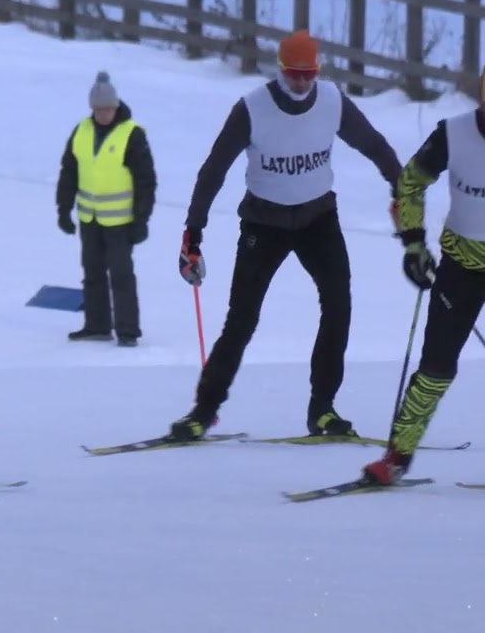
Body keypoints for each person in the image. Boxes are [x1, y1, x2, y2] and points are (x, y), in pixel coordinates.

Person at [170, 29, 403, 441]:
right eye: (293, 73)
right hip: (264, 224)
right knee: (242, 320)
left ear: (318, 70)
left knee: (338, 305)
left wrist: (404, 190)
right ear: (279, 69)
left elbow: (374, 145)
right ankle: (203, 412)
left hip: (318, 220)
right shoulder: (252, 109)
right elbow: (213, 170)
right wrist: (193, 232)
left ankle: (323, 409)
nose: (300, 82)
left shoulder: (332, 101)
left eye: (308, 74)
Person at [362, 49, 485, 487]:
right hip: (463, 263)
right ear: (481, 99)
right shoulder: (454, 133)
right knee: (436, 368)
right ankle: (397, 456)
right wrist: (413, 244)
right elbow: (410, 183)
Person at [55, 70, 157, 347]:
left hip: (121, 223)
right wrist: (63, 210)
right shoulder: (81, 131)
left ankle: (128, 331)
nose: (103, 114)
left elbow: (146, 181)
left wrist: (141, 220)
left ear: (116, 106)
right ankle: (96, 326)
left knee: (121, 276)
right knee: (92, 273)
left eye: (107, 109)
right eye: (98, 110)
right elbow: (69, 172)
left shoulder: (132, 134)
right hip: (89, 218)